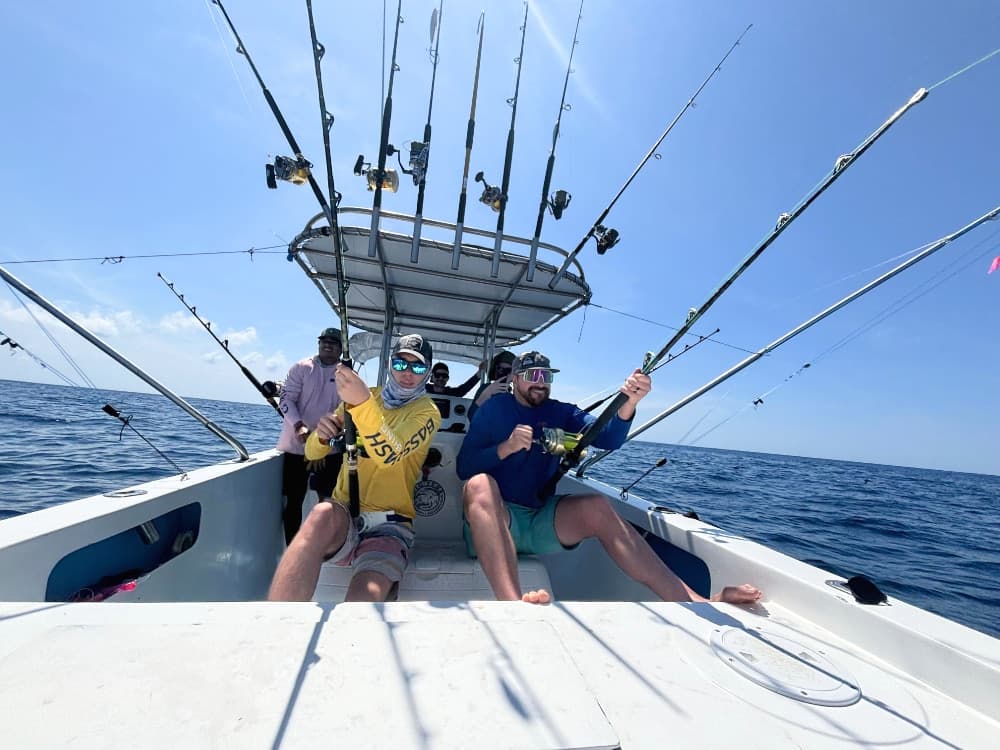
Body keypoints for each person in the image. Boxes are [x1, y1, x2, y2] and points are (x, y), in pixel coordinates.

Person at [457, 351, 762, 605]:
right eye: (533, 376)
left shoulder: (561, 412)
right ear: (514, 379)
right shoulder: (492, 410)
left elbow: (609, 436)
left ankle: (695, 600)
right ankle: (513, 606)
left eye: (546, 377)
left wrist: (629, 402)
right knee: (480, 484)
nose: (541, 383)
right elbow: (464, 466)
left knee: (597, 506)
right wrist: (505, 448)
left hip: (538, 520)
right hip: (498, 521)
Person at [268, 333, 441, 602]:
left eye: (417, 367)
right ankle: (276, 622)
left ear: (427, 372)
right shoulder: (363, 397)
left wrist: (361, 404)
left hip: (390, 527)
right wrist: (321, 435)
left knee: (362, 600)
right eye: (400, 364)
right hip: (343, 515)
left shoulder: (427, 413)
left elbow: (389, 454)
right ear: (389, 366)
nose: (408, 373)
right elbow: (313, 452)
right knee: (321, 511)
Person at [276, 327, 344, 545]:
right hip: (296, 448)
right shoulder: (301, 367)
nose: (328, 345)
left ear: (341, 349)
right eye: (324, 341)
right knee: (293, 500)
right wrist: (298, 426)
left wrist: (321, 444)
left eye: (333, 342)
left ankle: (327, 547)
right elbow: (286, 400)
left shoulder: (346, 375)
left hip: (330, 449)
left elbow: (345, 411)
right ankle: (292, 548)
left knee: (329, 500)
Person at [466, 350, 515, 422]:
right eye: (500, 369)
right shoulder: (485, 389)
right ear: (495, 370)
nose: (503, 373)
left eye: (508, 370)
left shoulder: (514, 397)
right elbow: (472, 417)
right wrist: (485, 395)